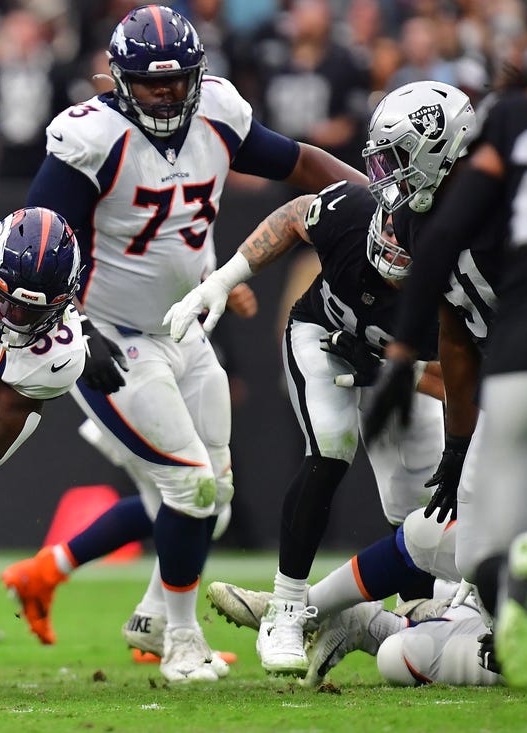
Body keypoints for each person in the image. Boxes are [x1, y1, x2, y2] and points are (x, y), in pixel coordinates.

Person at [9, 4, 367, 683]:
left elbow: (299, 162)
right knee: (189, 484)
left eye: (178, 82)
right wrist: (75, 327)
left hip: (186, 327)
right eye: (151, 83)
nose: (168, 95)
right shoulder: (90, 139)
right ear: (119, 80)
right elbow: (37, 237)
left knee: (217, 492)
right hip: (111, 334)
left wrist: (378, 196)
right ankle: (179, 638)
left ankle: (150, 616)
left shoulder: (220, 115)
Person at [361, 2, 527, 729]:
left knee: (479, 548)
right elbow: (457, 326)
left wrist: (400, 362)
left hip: (523, 371)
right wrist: (458, 438)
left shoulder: (513, 128)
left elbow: (440, 276)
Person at [164, 171, 451, 674]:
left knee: (421, 495)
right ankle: (288, 608)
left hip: (401, 366)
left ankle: (415, 611)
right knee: (331, 448)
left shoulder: (454, 285)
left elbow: (462, 383)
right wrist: (225, 279)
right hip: (322, 334)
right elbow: (295, 215)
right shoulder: (352, 213)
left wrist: (392, 366)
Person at [206, 487, 527, 688]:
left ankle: (368, 624)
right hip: (526, 559)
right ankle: (301, 610)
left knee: (397, 656)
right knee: (426, 529)